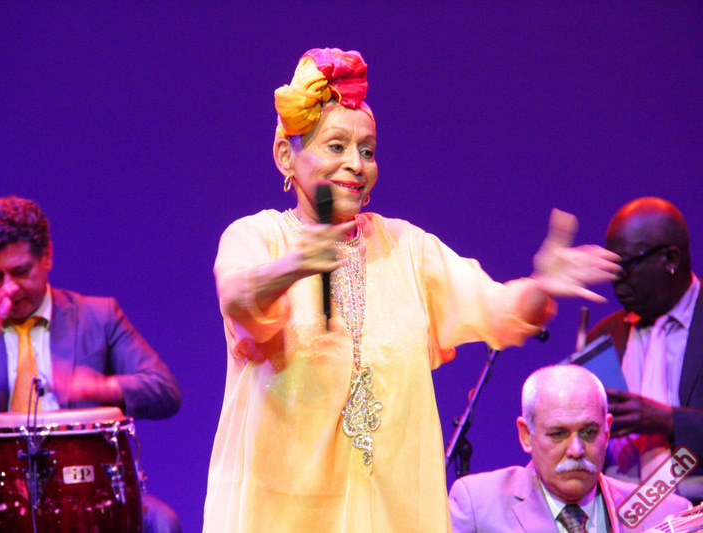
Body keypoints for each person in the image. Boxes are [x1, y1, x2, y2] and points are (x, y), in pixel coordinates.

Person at [203, 47, 620, 532]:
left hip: (392, 514)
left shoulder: (407, 248)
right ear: (285, 157)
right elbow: (240, 299)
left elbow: (500, 311)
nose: (356, 164)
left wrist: (539, 286)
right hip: (281, 513)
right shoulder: (258, 237)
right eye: (336, 147)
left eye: (367, 151)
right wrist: (296, 264)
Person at [0, 196, 183, 533]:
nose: (9, 289)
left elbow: (165, 391)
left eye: (21, 272)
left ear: (47, 256)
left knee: (160, 522)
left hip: (84, 488)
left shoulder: (98, 317)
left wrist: (100, 387)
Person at [448, 365, 690, 532]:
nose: (576, 450)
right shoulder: (477, 506)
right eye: (558, 434)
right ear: (526, 435)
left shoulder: (667, 513)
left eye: (589, 432)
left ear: (607, 431)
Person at [587, 197, 703, 504]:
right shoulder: (604, 337)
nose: (616, 282)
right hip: (618, 511)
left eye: (625, 267)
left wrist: (667, 420)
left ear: (671, 258)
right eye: (611, 269)